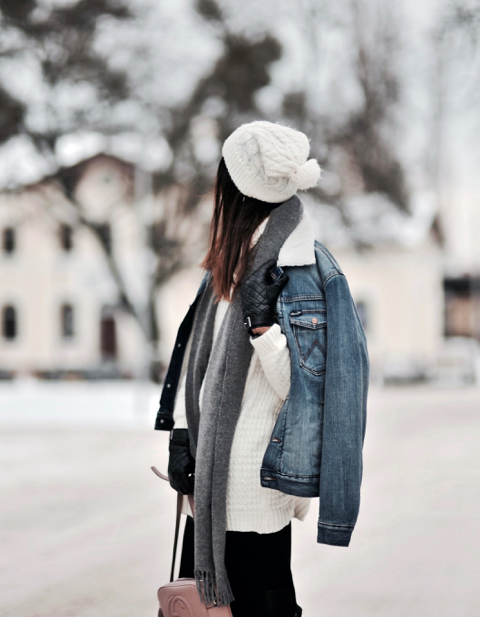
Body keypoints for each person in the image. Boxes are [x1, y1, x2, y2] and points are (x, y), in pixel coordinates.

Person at [154, 121, 369, 617]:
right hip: (210, 481)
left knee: (261, 606)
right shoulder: (228, 266)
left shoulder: (302, 269)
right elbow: (200, 366)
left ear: (235, 188)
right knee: (203, 609)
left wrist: (263, 327)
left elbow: (307, 389)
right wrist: (183, 436)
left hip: (254, 485)